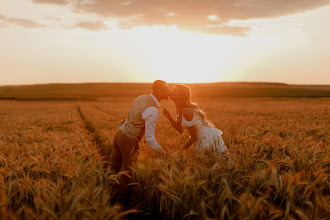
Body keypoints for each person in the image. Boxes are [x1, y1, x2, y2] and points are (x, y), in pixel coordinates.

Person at [109, 80, 169, 173]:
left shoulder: (141, 97)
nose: (169, 91)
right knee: (131, 172)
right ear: (158, 90)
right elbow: (149, 138)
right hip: (129, 140)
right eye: (166, 88)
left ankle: (109, 187)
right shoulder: (152, 110)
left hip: (119, 135)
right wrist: (162, 153)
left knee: (113, 169)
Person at [163, 84, 227, 153]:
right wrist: (169, 117)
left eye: (174, 91)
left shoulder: (187, 111)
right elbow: (180, 130)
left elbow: (194, 137)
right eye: (172, 90)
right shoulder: (179, 109)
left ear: (181, 95)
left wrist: (181, 150)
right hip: (199, 139)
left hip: (206, 138)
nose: (171, 92)